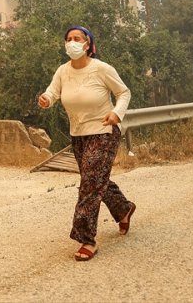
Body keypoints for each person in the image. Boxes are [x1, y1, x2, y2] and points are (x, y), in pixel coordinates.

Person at [37, 25, 134, 262]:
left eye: (77, 38)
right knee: (95, 179)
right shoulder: (63, 71)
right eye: (68, 39)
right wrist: (46, 99)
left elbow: (124, 93)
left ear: (87, 44)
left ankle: (86, 239)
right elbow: (53, 92)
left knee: (90, 183)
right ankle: (123, 208)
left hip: (104, 130)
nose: (72, 42)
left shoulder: (102, 69)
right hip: (78, 134)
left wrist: (117, 113)